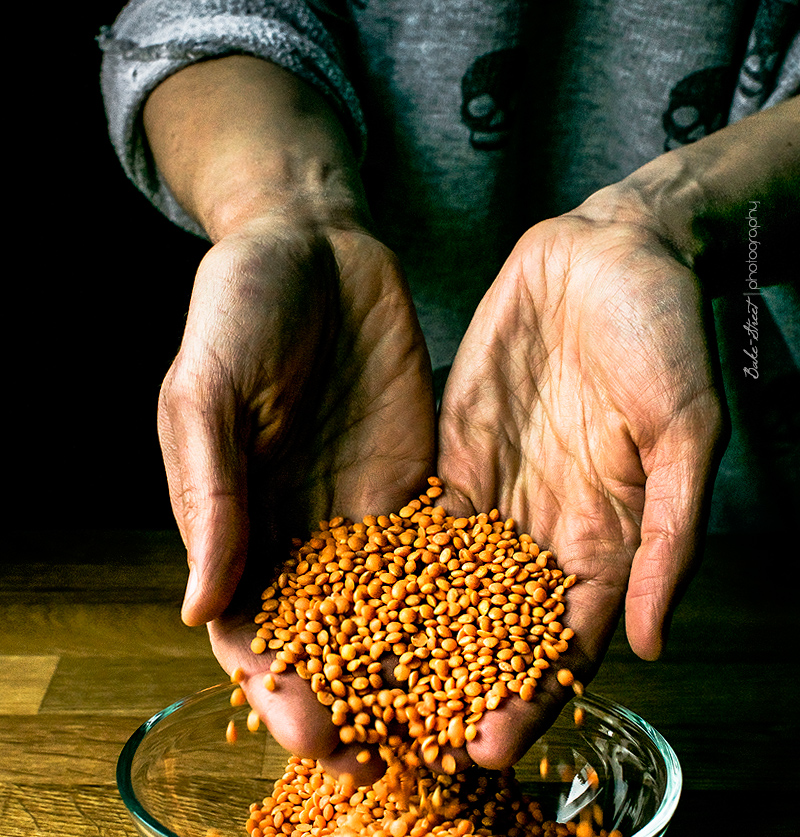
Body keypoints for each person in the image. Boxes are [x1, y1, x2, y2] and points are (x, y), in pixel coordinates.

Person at [100, 1, 799, 778]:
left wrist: (669, 220)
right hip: (336, 392)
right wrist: (290, 207)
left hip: (736, 509)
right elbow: (202, 17)